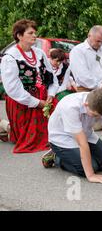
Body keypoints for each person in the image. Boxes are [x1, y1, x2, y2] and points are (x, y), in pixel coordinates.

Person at [42, 88, 102, 183]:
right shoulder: (70, 107)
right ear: (86, 105)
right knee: (91, 167)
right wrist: (91, 175)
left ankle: (76, 156)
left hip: (86, 134)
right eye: (95, 115)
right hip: (63, 139)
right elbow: (82, 143)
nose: (97, 118)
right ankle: (57, 157)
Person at [0, 19, 58, 153]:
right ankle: (5, 126)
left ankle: (8, 127)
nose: (34, 35)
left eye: (35, 33)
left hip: (44, 98)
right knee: (22, 138)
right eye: (30, 33)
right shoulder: (10, 57)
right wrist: (37, 103)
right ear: (19, 35)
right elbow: (13, 89)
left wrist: (51, 94)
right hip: (22, 102)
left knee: (58, 131)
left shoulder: (40, 53)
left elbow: (51, 77)